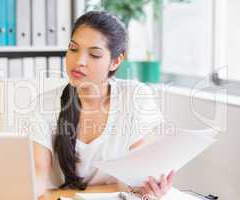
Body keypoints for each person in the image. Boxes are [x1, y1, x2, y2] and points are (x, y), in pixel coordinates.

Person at [27, 11, 175, 199]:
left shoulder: (135, 99)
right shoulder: (44, 105)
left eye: (94, 54)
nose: (79, 61)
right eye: (73, 49)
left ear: (115, 61)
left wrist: (59, 194)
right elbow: (36, 184)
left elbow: (137, 183)